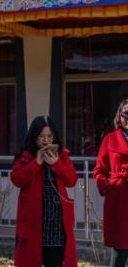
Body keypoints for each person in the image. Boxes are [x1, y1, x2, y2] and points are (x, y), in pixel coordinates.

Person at [10, 115, 78, 267]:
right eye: (41, 136)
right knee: (30, 259)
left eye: (49, 136)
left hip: (57, 222)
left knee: (55, 261)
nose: (46, 140)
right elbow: (16, 179)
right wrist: (37, 163)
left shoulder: (62, 155)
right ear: (34, 137)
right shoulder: (25, 155)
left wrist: (56, 164)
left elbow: (72, 180)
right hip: (34, 219)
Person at [93, 99, 128, 267]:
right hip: (118, 198)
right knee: (119, 250)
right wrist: (108, 188)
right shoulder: (110, 139)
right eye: (125, 114)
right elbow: (99, 170)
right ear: (119, 117)